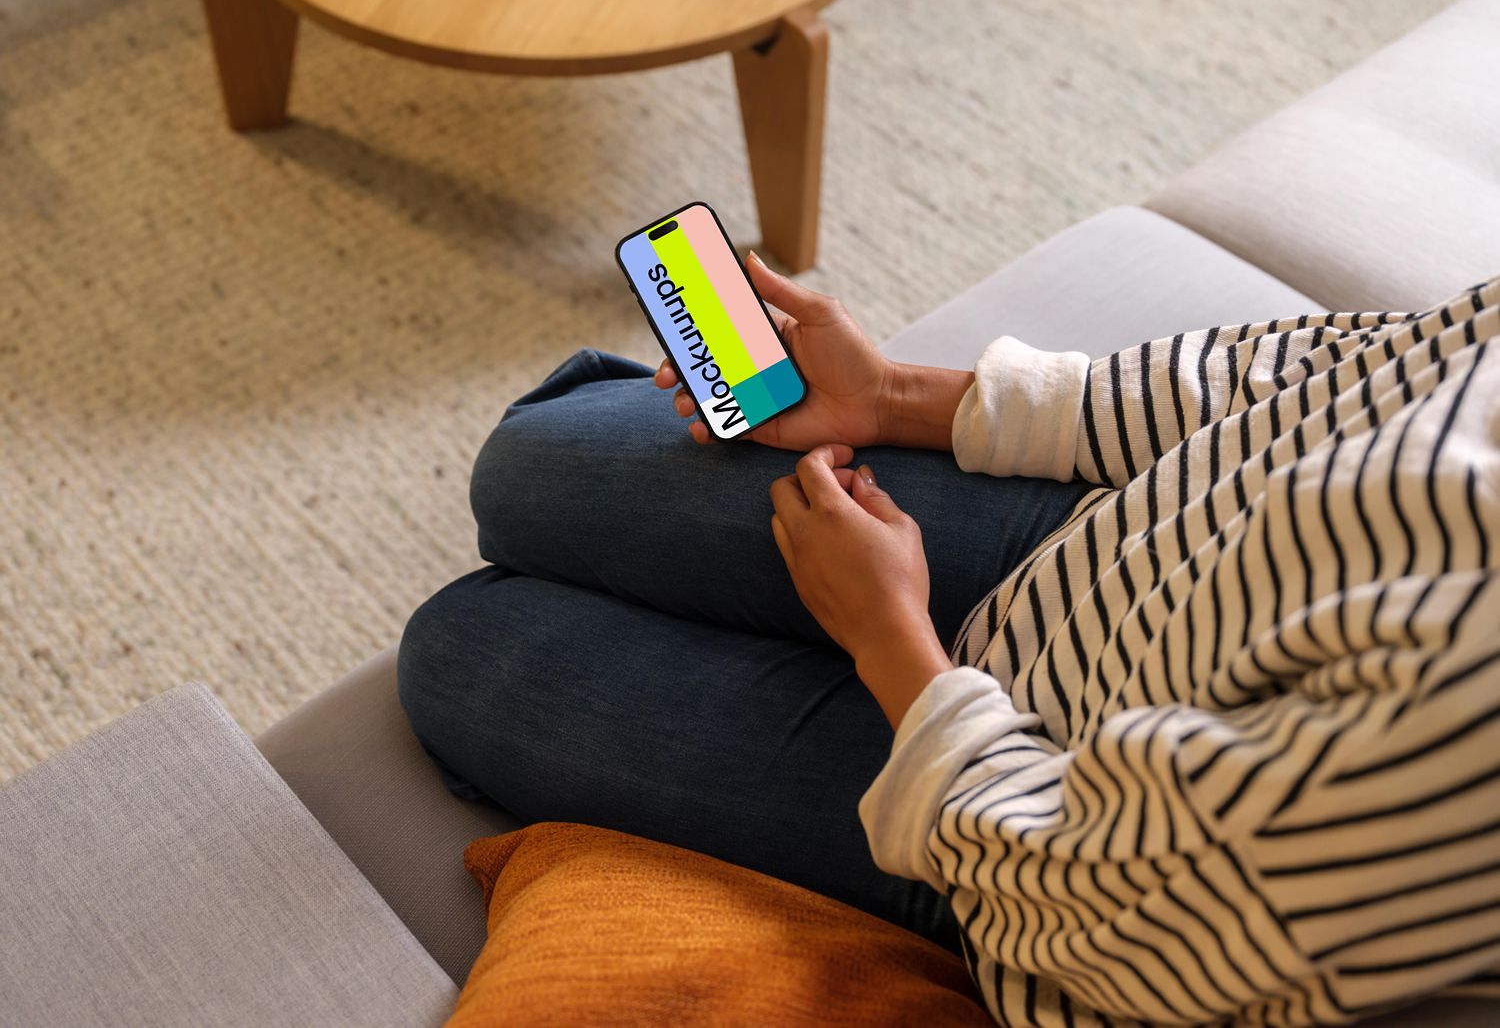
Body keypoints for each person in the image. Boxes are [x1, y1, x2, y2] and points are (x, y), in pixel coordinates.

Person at [398, 254, 1499, 1026]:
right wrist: (899, 398)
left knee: (457, 647)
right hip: (1114, 544)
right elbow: (1346, 369)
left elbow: (1131, 923)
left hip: (1024, 835)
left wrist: (890, 640)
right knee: (527, 462)